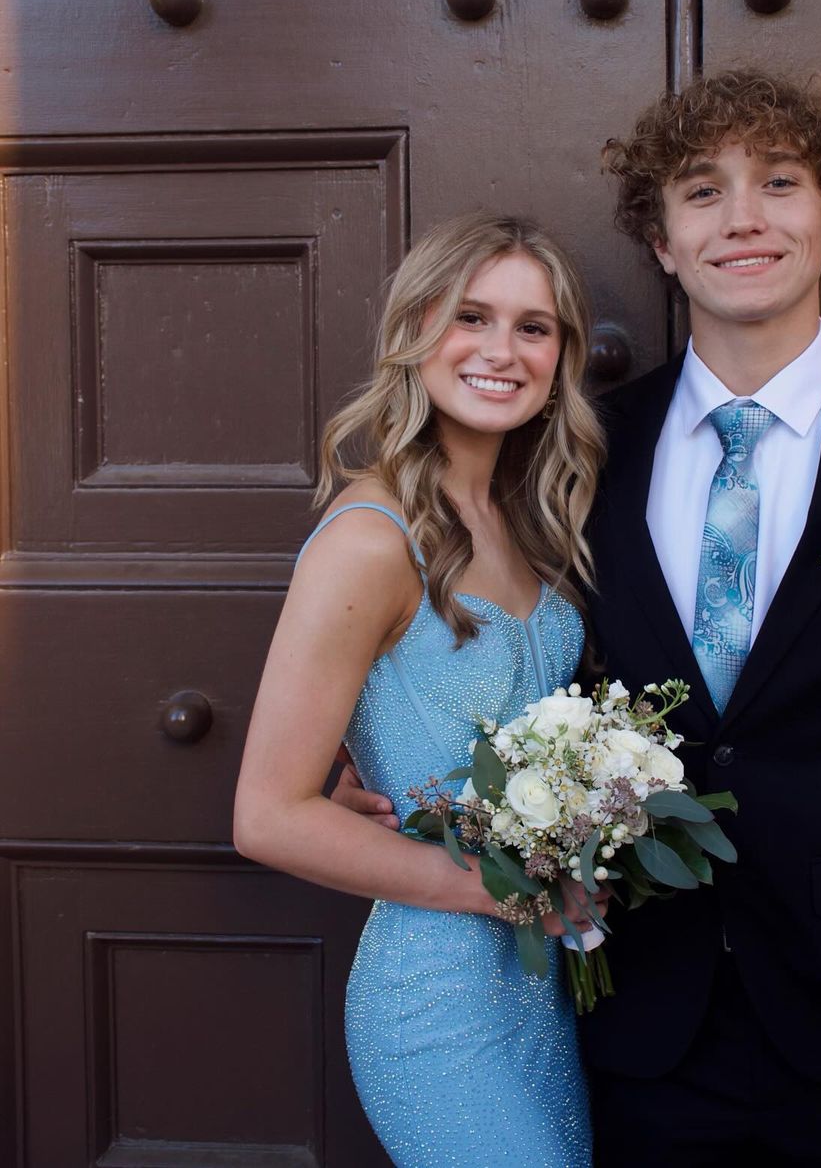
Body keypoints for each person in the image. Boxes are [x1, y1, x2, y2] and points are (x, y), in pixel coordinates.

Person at [335, 69, 821, 1167]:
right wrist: (388, 767)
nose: (743, 218)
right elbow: (499, 646)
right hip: (636, 1008)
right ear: (663, 243)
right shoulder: (576, 453)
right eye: (704, 191)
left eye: (781, 183)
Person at [234, 211, 605, 1168]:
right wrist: (499, 892)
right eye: (471, 316)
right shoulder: (371, 538)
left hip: (542, 990)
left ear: (560, 356)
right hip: (436, 1002)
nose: (501, 350)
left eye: (533, 327)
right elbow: (267, 817)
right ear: (415, 330)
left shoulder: (531, 520)